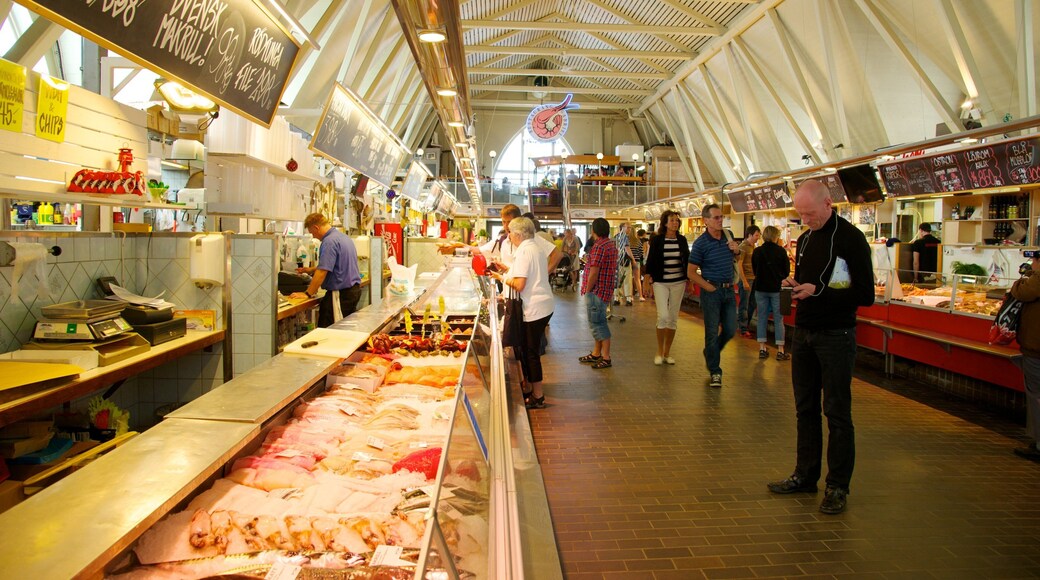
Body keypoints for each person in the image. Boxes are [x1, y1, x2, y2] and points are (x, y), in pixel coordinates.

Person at [767, 179, 874, 515]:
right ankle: (805, 474)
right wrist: (795, 285)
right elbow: (815, 281)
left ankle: (838, 486)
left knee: (838, 413)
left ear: (828, 204)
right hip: (806, 333)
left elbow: (865, 294)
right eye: (800, 214)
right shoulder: (807, 238)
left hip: (837, 335)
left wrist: (819, 291)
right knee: (805, 408)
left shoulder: (852, 240)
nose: (805, 220)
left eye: (809, 213)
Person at [488, 217, 554, 410]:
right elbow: (527, 274)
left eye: (510, 232)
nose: (508, 236)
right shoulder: (535, 247)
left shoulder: (524, 251)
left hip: (534, 308)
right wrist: (507, 269)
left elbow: (519, 284)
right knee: (528, 350)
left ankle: (538, 396)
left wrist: (502, 277)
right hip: (543, 305)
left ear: (517, 234)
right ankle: (529, 388)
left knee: (530, 352)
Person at [687, 204, 740, 387]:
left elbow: (736, 259)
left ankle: (711, 352)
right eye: (716, 218)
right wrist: (708, 287)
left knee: (731, 328)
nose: (720, 220)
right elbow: (691, 272)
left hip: (728, 290)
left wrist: (737, 250)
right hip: (712, 292)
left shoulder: (728, 235)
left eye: (721, 217)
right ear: (706, 220)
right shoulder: (701, 243)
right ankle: (715, 371)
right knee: (711, 331)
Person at [291, 213, 363, 327]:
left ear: (316, 227)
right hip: (352, 291)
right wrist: (311, 269)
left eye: (312, 233)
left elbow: (322, 271)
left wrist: (308, 294)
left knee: (330, 330)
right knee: (345, 329)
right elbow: (336, 264)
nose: (314, 237)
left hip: (341, 294)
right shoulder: (343, 238)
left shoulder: (329, 241)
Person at [643, 210, 689, 365]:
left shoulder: (682, 240)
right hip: (660, 282)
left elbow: (687, 260)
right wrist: (647, 281)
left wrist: (690, 278)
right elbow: (650, 261)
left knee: (673, 318)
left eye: (677, 220)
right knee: (663, 316)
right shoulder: (657, 240)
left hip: (679, 281)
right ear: (664, 223)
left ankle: (667, 353)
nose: (675, 223)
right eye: (672, 220)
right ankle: (658, 350)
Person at [1012, 252, 1040, 462]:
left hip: (1036, 348)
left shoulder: (1036, 280)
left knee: (1036, 395)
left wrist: (1029, 274)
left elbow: (1020, 291)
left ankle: (1039, 444)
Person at [579, 217, 618, 370]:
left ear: (594, 230)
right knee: (597, 323)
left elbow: (594, 271)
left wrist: (588, 289)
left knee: (598, 324)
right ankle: (596, 353)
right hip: (605, 290)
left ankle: (606, 357)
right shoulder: (610, 244)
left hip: (597, 291)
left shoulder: (599, 246)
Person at [751, 226, 791, 360]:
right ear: (776, 236)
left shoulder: (757, 251)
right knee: (778, 319)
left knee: (762, 317)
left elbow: (755, 270)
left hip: (760, 288)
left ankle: (762, 348)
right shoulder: (780, 251)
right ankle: (780, 350)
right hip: (775, 289)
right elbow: (786, 272)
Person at [736, 225, 761, 338]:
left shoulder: (753, 247)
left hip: (754, 279)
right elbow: (739, 264)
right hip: (746, 280)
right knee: (744, 305)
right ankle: (743, 328)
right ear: (750, 235)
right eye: (756, 235)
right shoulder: (743, 247)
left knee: (752, 303)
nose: (758, 237)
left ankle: (746, 325)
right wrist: (744, 281)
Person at [614, 223, 636, 306]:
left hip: (617, 261)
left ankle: (616, 298)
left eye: (630, 228)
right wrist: (633, 260)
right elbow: (627, 248)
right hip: (625, 260)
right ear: (622, 228)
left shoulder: (616, 236)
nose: (629, 229)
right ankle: (628, 299)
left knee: (617, 280)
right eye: (628, 227)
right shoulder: (625, 237)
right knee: (627, 279)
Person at [629, 227, 645, 301]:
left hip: (628, 262)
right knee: (637, 279)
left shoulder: (627, 241)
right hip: (637, 262)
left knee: (629, 280)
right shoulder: (638, 241)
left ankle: (630, 296)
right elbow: (641, 253)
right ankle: (640, 296)